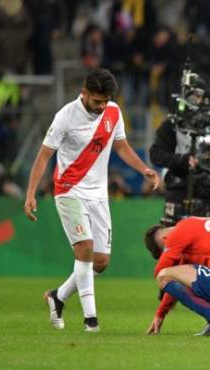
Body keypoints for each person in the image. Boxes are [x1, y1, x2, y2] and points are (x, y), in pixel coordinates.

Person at [23, 68, 160, 332]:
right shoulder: (65, 117)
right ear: (84, 93)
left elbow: (121, 147)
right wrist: (30, 193)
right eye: (97, 101)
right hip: (69, 190)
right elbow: (43, 156)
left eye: (105, 100)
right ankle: (91, 321)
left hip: (98, 194)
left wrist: (144, 169)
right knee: (84, 249)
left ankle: (57, 296)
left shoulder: (113, 112)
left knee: (100, 261)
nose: (101, 106)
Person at [149, 74, 210, 227]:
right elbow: (156, 154)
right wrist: (182, 160)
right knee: (176, 243)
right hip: (179, 187)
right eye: (194, 96)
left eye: (201, 96)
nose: (198, 101)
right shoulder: (171, 125)